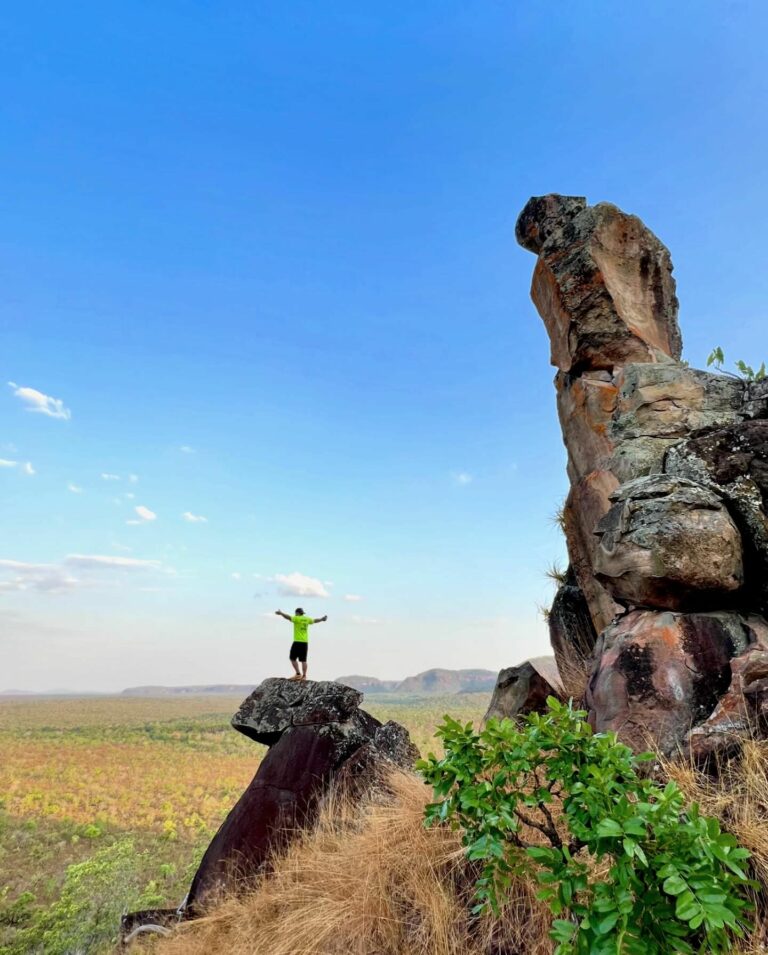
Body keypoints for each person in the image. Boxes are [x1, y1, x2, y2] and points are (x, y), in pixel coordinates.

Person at [274, 607, 328, 680]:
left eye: (295, 613)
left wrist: (281, 613)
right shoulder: (307, 619)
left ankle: (298, 674)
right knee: (303, 660)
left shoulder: (297, 618)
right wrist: (321, 619)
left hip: (297, 641)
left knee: (292, 658)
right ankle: (304, 676)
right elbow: (315, 620)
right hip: (305, 642)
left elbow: (288, 617)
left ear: (297, 613)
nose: (295, 615)